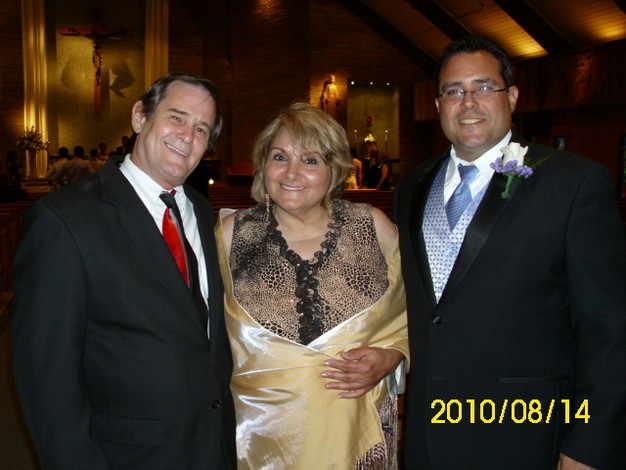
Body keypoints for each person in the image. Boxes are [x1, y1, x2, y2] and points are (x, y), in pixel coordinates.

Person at [394, 35, 626, 469]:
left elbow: (609, 328)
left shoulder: (573, 183)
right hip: (429, 435)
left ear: (512, 97)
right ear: (439, 104)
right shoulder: (412, 186)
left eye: (484, 87)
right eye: (454, 91)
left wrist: (590, 444)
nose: (468, 103)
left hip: (526, 435)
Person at [12, 72, 236, 469]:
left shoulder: (201, 210)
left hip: (211, 447)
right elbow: (48, 378)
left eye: (202, 129)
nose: (187, 136)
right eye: (177, 117)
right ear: (139, 117)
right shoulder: (65, 220)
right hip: (128, 455)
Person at [215, 102, 409, 469]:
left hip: (356, 434)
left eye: (310, 160)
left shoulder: (372, 227)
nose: (291, 173)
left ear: (334, 169)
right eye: (279, 157)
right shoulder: (229, 237)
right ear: (263, 164)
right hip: (262, 442)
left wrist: (393, 356)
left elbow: (415, 313)